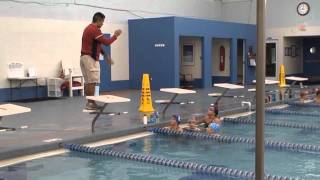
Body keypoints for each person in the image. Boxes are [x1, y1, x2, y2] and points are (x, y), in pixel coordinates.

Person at [80, 12, 122, 110]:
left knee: (89, 82)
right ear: (98, 20)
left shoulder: (88, 28)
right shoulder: (94, 29)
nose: (103, 24)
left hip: (84, 58)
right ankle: (90, 104)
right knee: (92, 82)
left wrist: (105, 55)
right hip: (90, 59)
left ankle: (90, 103)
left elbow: (97, 44)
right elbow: (107, 43)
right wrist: (115, 35)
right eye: (102, 21)